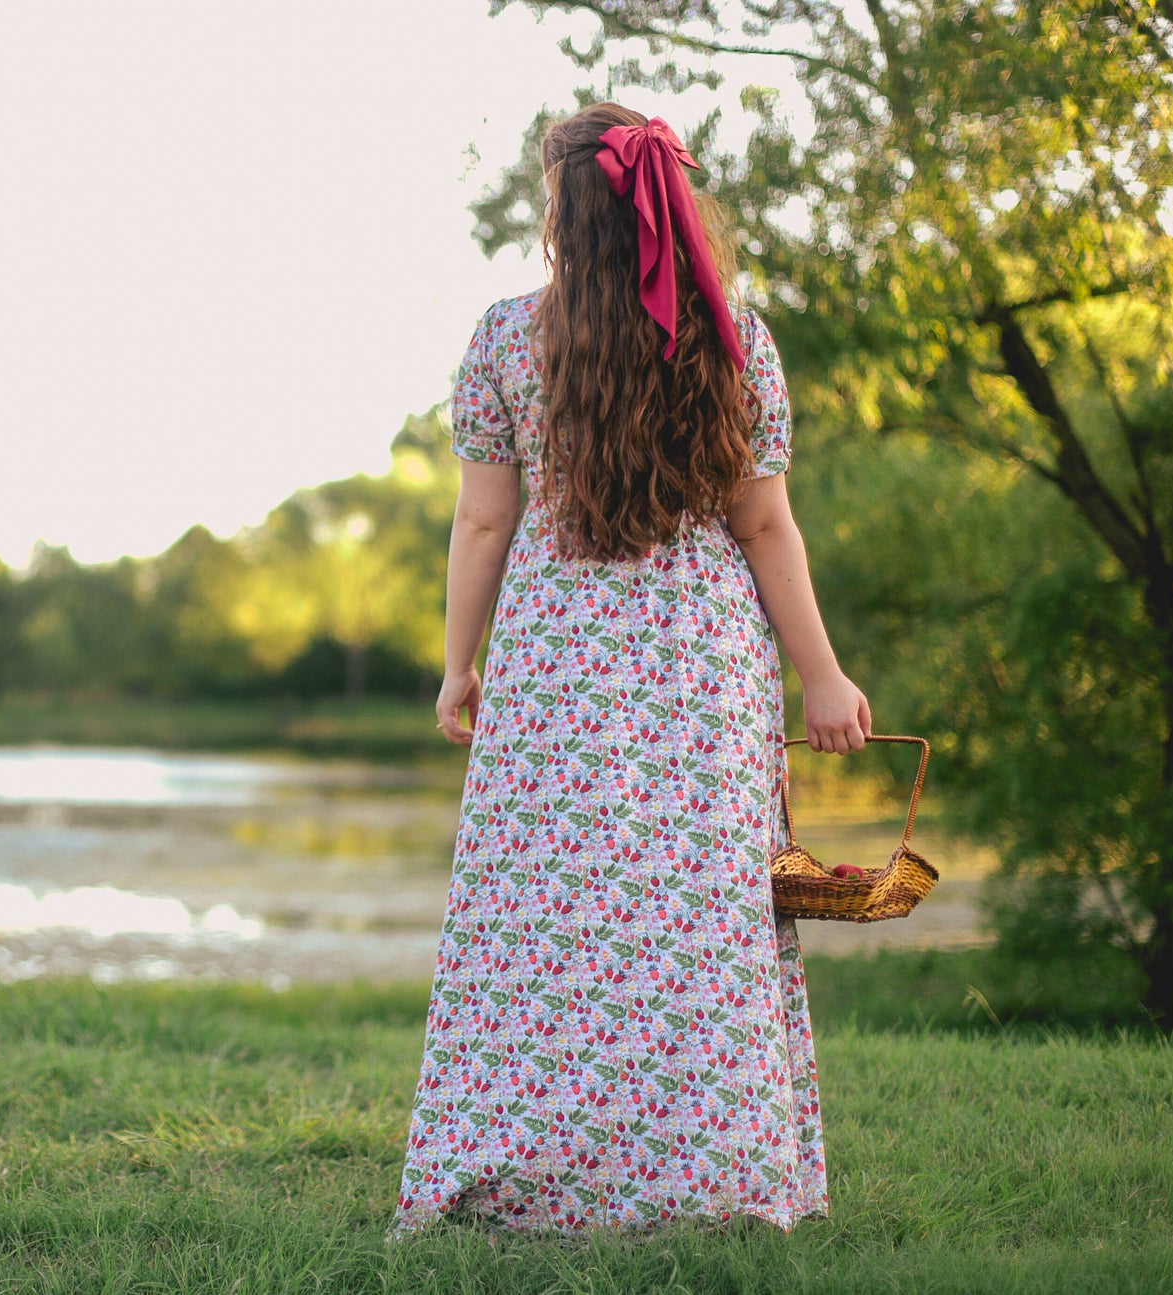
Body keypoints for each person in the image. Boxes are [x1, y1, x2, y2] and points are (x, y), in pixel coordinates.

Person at [391, 103, 871, 1240]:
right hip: (700, 668)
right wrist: (821, 674)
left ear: (562, 213)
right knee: (701, 921)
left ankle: (524, 1168)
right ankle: (713, 1175)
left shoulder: (504, 339)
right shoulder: (733, 339)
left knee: (538, 924)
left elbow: (482, 521)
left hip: (554, 666)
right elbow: (765, 527)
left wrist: (459, 664)